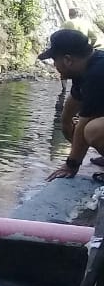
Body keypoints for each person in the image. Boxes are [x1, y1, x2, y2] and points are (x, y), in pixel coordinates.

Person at [45, 28, 104, 180]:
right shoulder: (86, 67)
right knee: (78, 125)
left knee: (93, 130)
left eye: (54, 60)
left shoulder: (97, 73)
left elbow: (84, 124)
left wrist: (71, 164)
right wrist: (65, 123)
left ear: (68, 60)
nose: (54, 65)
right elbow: (70, 110)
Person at [59, 9, 99, 98]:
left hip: (68, 49)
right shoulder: (85, 24)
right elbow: (94, 38)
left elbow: (59, 36)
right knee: (81, 70)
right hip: (81, 51)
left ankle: (64, 90)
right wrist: (89, 46)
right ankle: (80, 91)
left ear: (70, 15)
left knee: (64, 69)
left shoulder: (67, 23)